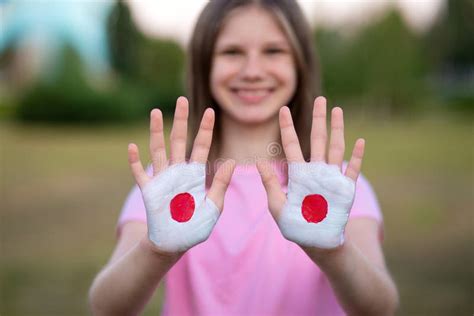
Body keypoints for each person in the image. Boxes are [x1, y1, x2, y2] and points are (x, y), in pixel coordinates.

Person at [89, 0, 399, 315]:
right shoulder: (170, 182)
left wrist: (335, 253)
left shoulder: (336, 186)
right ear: (204, 64)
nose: (252, 71)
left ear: (300, 64)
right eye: (232, 52)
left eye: (274, 51)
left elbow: (380, 307)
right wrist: (155, 252)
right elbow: (106, 306)